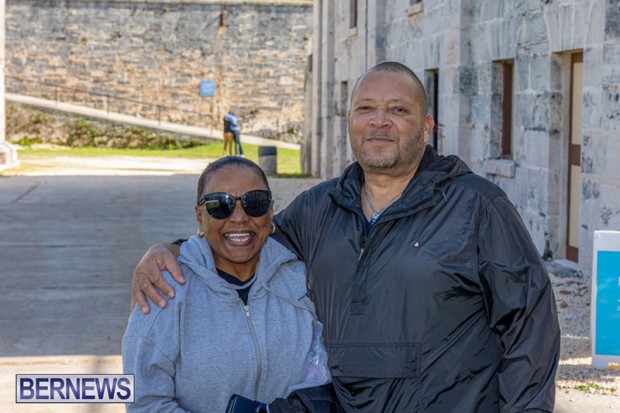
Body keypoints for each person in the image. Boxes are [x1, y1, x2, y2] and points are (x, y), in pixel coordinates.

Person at [131, 62, 561, 412]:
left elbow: (530, 323)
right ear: (351, 121)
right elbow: (245, 234)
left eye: (398, 110)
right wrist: (169, 250)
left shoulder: (476, 207)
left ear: (427, 124)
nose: (379, 121)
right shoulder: (318, 209)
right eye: (366, 108)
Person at [123, 156, 338, 412]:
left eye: (254, 203)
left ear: (271, 211)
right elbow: (144, 402)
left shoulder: (303, 282)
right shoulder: (163, 290)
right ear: (199, 216)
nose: (239, 218)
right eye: (220, 205)